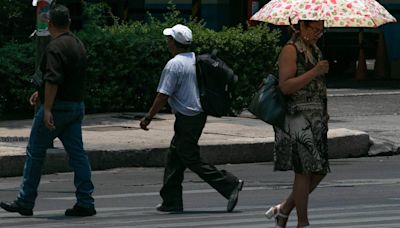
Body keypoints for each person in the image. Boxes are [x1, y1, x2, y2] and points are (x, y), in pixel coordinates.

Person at [0, 4, 96, 217]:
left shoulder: (54, 48)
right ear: (69, 22)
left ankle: (25, 200)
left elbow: (53, 79)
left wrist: (47, 108)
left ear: (50, 23)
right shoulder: (78, 44)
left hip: (58, 107)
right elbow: (66, 78)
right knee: (78, 155)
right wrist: (41, 93)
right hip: (75, 106)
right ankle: (86, 200)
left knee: (35, 152)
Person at [140, 24, 244, 213]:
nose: (167, 42)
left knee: (190, 158)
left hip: (188, 118)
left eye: (169, 39)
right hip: (195, 115)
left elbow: (163, 95)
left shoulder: (174, 64)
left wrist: (148, 117)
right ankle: (171, 201)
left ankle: (230, 184)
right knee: (174, 157)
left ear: (174, 43)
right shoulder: (193, 59)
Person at [264, 20, 330, 228]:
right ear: (300, 27)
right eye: (314, 29)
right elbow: (285, 86)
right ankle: (303, 222)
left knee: (319, 171)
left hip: (316, 119)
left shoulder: (313, 49)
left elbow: (318, 87)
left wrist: (325, 112)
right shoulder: (290, 50)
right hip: (297, 118)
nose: (318, 34)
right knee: (304, 171)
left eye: (321, 30)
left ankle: (283, 210)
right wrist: (314, 72)